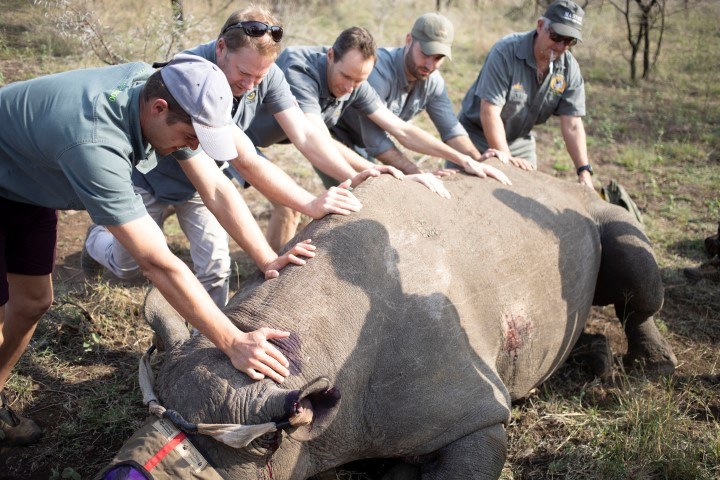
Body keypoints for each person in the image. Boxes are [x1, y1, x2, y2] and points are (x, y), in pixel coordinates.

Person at [0, 54, 300, 447]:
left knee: (32, 302)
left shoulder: (164, 88)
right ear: (159, 110)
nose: (193, 148)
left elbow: (217, 187)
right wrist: (232, 341)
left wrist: (266, 258)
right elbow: (156, 262)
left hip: (25, 185)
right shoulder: (95, 142)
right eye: (192, 137)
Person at [83, 6, 398, 292]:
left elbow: (303, 133)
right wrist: (310, 203)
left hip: (200, 186)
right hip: (149, 178)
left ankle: (204, 351)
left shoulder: (266, 76)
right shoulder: (190, 74)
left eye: (259, 77)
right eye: (244, 74)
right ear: (221, 48)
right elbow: (245, 160)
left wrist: (355, 175)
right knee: (126, 265)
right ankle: (97, 240)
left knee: (216, 269)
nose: (250, 85)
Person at [247, 26, 511, 205]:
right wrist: (374, 173)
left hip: (279, 139)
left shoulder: (356, 83)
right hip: (239, 135)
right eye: (346, 77)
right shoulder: (299, 69)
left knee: (287, 209)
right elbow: (315, 137)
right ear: (330, 56)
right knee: (288, 205)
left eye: (359, 80)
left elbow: (400, 129)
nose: (350, 88)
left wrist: (462, 159)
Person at [331, 13, 506, 178]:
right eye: (426, 53)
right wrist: (418, 173)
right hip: (335, 137)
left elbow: (451, 130)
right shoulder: (379, 72)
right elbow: (376, 141)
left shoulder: (433, 82)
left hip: (367, 144)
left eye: (438, 58)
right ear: (409, 40)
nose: (430, 64)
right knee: (351, 193)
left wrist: (477, 160)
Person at [457, 0, 595, 188]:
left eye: (569, 41)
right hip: (475, 135)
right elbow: (489, 112)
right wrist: (506, 161)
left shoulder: (569, 68)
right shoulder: (505, 52)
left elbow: (572, 124)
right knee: (465, 192)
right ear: (540, 26)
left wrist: (584, 171)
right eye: (556, 36)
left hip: (519, 140)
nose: (561, 46)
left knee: (526, 195)